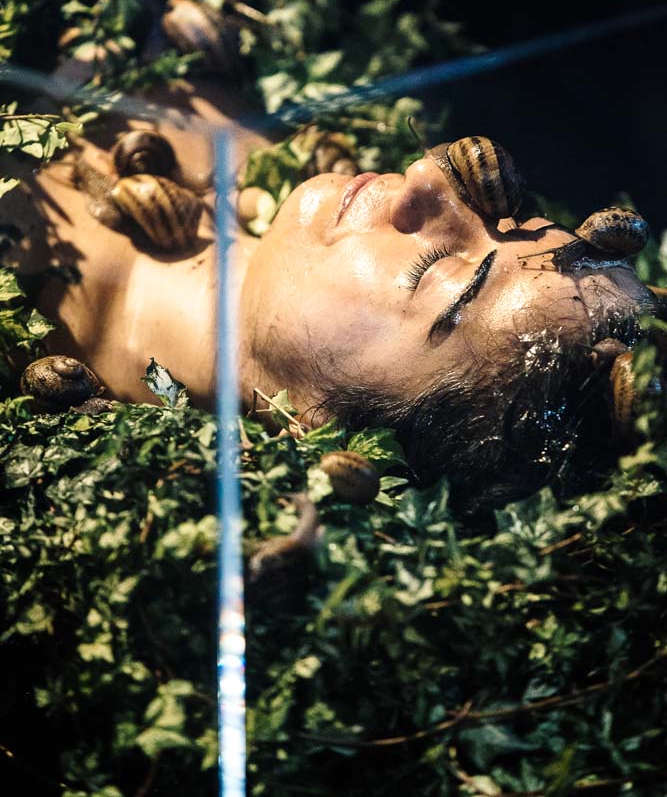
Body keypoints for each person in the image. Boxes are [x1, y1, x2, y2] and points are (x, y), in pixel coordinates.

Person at [2, 76, 659, 516]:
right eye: (507, 215)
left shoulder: (23, 336)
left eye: (434, 270)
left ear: (321, 436)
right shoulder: (223, 101)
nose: (427, 175)